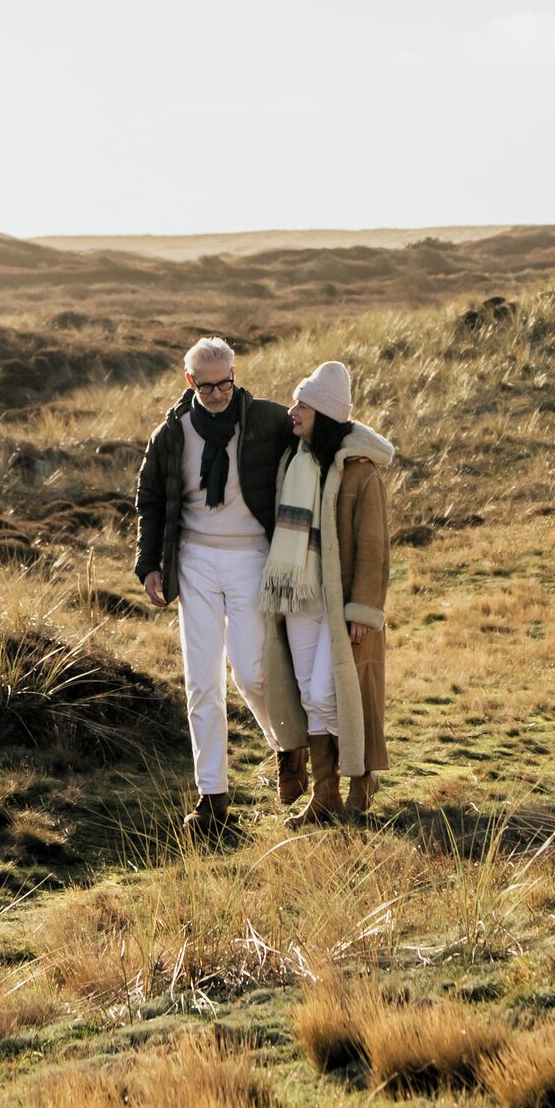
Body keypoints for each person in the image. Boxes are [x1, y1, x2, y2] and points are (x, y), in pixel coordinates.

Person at [133, 336, 300, 840]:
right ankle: (212, 799)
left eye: (224, 383)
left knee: (252, 672)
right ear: (190, 383)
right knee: (201, 682)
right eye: (206, 387)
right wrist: (149, 565)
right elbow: (151, 500)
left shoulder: (266, 421)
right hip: (196, 562)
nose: (217, 394)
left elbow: (317, 441)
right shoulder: (171, 434)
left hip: (252, 558)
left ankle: (288, 749)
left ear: (234, 374)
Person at [260, 360, 393, 825]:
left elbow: (373, 549)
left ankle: (361, 782)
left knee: (331, 694)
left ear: (325, 413)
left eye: (303, 404)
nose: (292, 411)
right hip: (298, 596)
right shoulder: (293, 461)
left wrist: (363, 608)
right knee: (309, 694)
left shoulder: (359, 472)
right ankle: (324, 799)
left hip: (339, 605)